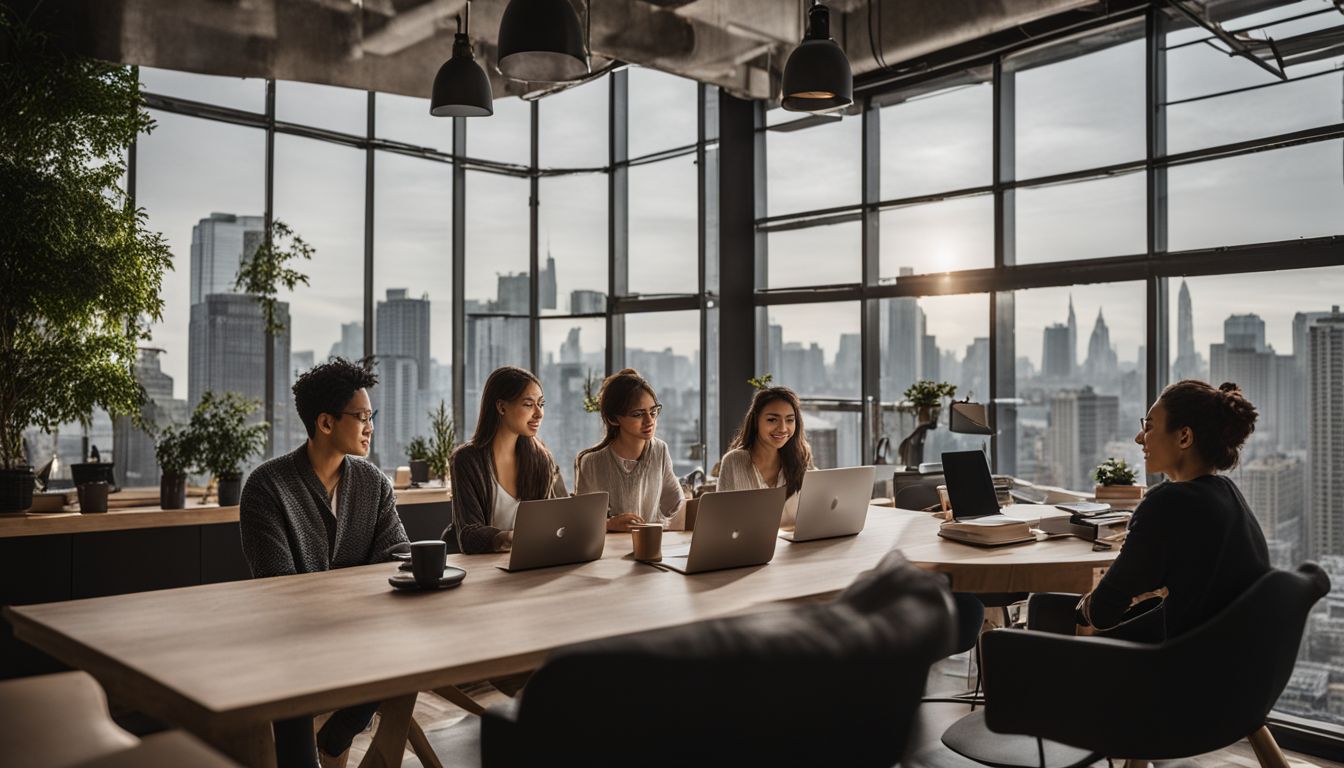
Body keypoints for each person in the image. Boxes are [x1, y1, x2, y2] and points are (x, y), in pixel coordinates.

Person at [239, 357, 409, 768]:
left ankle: (333, 740)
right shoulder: (267, 486)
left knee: (403, 655)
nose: (370, 426)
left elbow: (397, 555)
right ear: (326, 423)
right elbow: (279, 587)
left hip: (361, 632)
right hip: (290, 639)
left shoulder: (374, 483)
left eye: (372, 415)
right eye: (361, 416)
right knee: (290, 674)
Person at [1076, 379, 1267, 639]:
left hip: (1176, 669)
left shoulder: (1168, 503)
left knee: (1045, 611)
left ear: (1184, 437)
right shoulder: (1228, 493)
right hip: (1227, 666)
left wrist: (1084, 608)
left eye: (1150, 426)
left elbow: (1101, 613)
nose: (1139, 437)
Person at [449, 366, 567, 554]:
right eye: (528, 404)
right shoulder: (466, 460)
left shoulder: (542, 459)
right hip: (481, 570)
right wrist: (506, 537)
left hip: (531, 561)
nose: (539, 413)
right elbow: (469, 534)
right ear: (501, 406)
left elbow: (560, 518)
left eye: (541, 404)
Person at [575, 368, 684, 532]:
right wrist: (610, 524)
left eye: (653, 412)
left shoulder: (660, 450)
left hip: (651, 549)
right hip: (608, 552)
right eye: (638, 414)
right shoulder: (591, 462)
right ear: (613, 418)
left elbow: (676, 504)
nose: (649, 421)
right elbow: (580, 523)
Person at [717, 386, 814, 529]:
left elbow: (815, 513)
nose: (782, 428)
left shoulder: (801, 458)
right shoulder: (733, 461)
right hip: (750, 550)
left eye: (789, 420)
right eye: (772, 420)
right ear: (756, 420)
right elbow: (722, 521)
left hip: (798, 549)